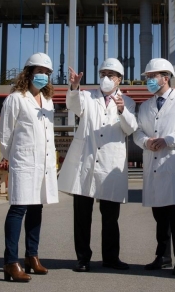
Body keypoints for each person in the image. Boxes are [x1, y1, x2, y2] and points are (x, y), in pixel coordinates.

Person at [58, 58, 138, 273]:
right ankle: (83, 258)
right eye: (103, 73)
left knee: (111, 216)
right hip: (87, 162)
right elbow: (73, 105)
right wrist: (74, 87)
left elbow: (131, 129)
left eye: (111, 75)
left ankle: (111, 257)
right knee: (82, 215)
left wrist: (122, 110)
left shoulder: (127, 102)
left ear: (119, 79)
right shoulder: (86, 96)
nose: (106, 78)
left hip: (110, 165)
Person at [133, 58, 175, 276]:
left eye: (153, 76)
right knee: (159, 215)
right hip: (153, 163)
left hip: (174, 163)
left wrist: (168, 139)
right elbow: (138, 131)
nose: (150, 80)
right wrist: (146, 142)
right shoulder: (145, 106)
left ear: (166, 77)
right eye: (148, 77)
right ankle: (163, 256)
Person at [0, 52, 58, 283]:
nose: (43, 76)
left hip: (42, 163)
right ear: (29, 72)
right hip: (24, 162)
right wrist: (14, 158)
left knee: (36, 209)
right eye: (39, 71)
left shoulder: (47, 100)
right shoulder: (16, 98)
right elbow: (4, 136)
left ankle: (31, 257)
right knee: (18, 209)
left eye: (47, 73)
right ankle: (10, 262)